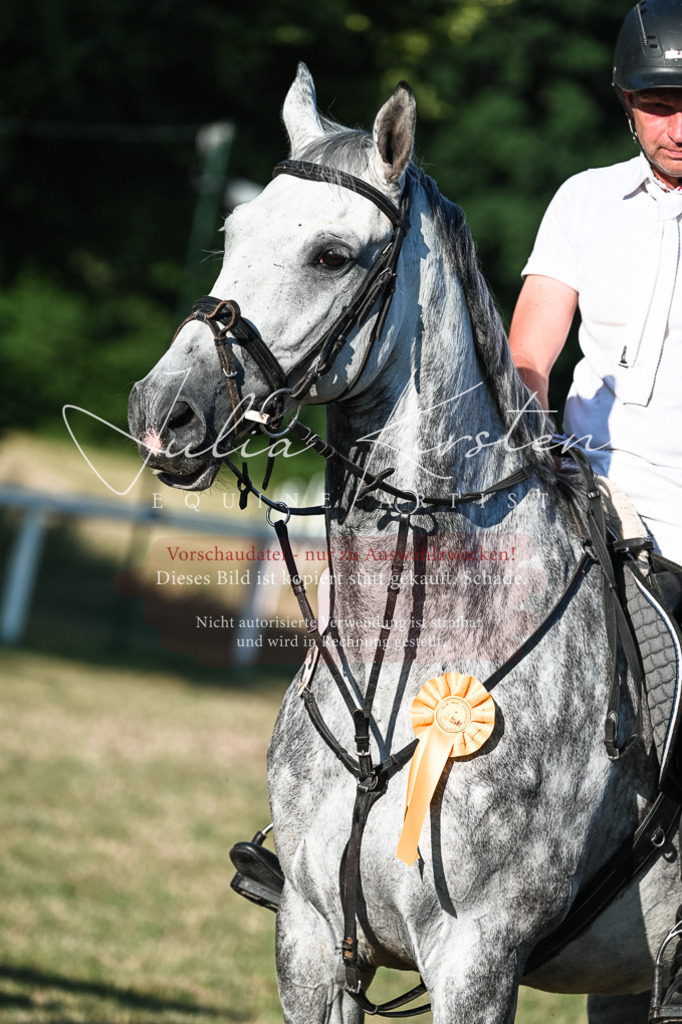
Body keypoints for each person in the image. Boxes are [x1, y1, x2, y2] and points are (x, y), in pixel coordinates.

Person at [508, 0, 682, 566]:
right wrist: (535, 460)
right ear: (627, 102)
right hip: (593, 491)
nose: (678, 131)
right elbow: (530, 352)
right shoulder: (584, 198)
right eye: (658, 107)